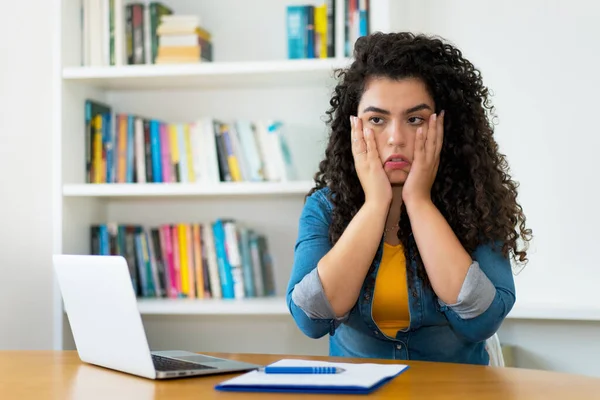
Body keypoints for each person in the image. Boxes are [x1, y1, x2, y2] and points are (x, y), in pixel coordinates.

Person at [286, 31, 532, 365]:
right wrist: (375, 205)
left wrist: (418, 202)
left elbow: (481, 320)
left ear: (447, 127)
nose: (396, 139)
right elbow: (311, 318)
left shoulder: (476, 202)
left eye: (415, 119)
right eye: (377, 120)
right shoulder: (325, 208)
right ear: (354, 127)